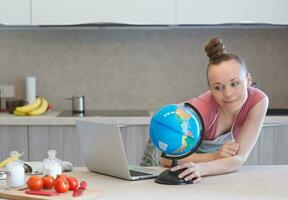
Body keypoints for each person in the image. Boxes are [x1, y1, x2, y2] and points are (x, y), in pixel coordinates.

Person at [158, 37, 269, 183]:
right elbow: (166, 159)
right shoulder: (199, 112)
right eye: (218, 87)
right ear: (210, 90)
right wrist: (214, 157)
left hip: (198, 169)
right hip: (165, 143)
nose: (228, 94)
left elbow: (238, 158)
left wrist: (202, 168)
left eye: (235, 83)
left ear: (248, 80)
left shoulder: (258, 102)